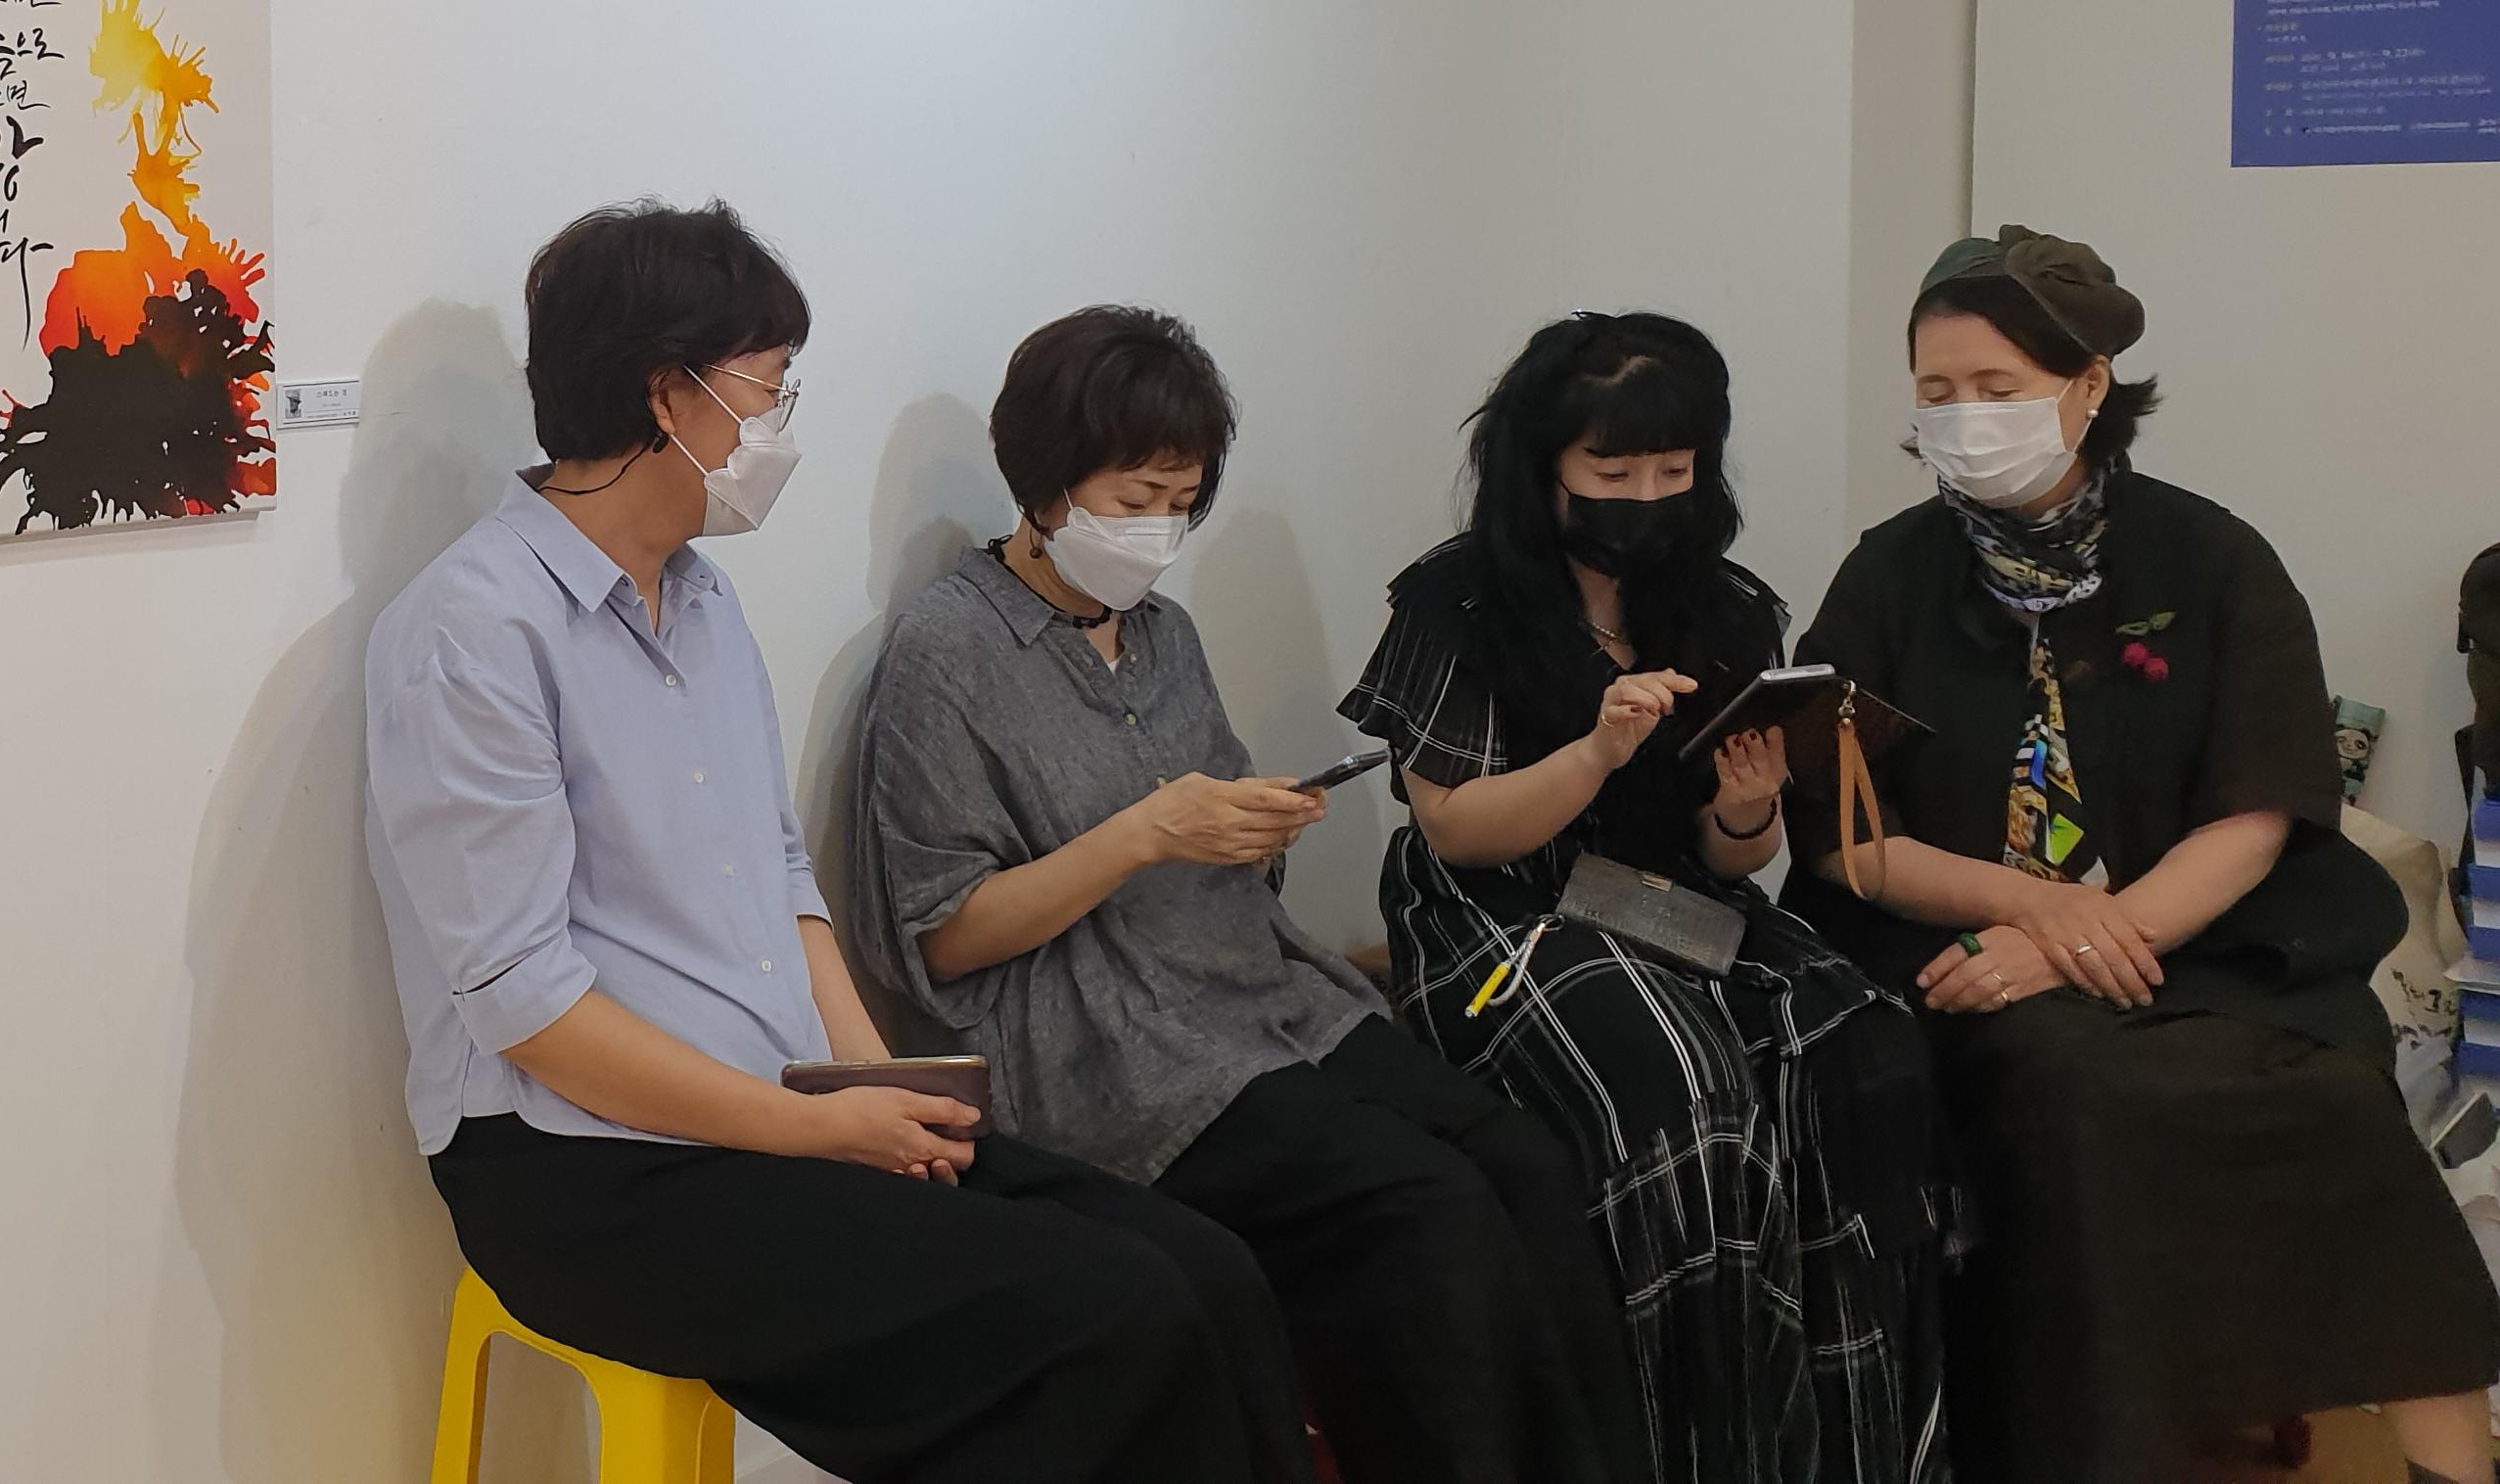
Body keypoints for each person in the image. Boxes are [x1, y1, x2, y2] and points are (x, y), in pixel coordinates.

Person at [362, 204, 1313, 1484]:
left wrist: (868, 1086)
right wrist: (811, 1131)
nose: (780, 428)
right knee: (1110, 1321)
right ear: (668, 395)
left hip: (772, 1109)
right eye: (768, 390)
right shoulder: (472, 633)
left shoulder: (701, 602)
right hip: (581, 1171)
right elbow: (528, 1008)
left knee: (1206, 1270)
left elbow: (780, 877)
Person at [841, 305, 1652, 1484]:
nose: (1158, 532)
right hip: (1112, 1053)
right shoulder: (948, 651)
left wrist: (1254, 830)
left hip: (1261, 998)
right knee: (1423, 1205)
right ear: (1045, 483)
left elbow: (1211, 831)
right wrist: (1142, 834)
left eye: (1181, 502)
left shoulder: (1163, 635)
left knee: (1523, 1161)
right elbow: (945, 937)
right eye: (1134, 499)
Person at [1785, 228, 2500, 1484]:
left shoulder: (2212, 558)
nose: (1963, 418)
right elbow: (1847, 835)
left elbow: (2257, 810)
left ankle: (2455, 1464)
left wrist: (2103, 935)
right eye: (1936, 392)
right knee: (2077, 1088)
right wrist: (2035, 918)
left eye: (1997, 387)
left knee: (2335, 1098)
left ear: (2089, 385)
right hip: (1961, 954)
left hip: (2208, 948)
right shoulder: (1887, 576)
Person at [1340, 311, 1947, 1484]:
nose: (1646, 499)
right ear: (1543, 467)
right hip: (1507, 915)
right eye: (1612, 473)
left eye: (1674, 471)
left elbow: (1730, 860)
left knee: (1865, 1049)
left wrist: (1748, 808)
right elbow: (1456, 827)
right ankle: (1699, 1450)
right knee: (1685, 1085)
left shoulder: (1724, 607)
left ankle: (1857, 1449)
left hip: (1668, 895)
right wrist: (1595, 754)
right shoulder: (1457, 604)